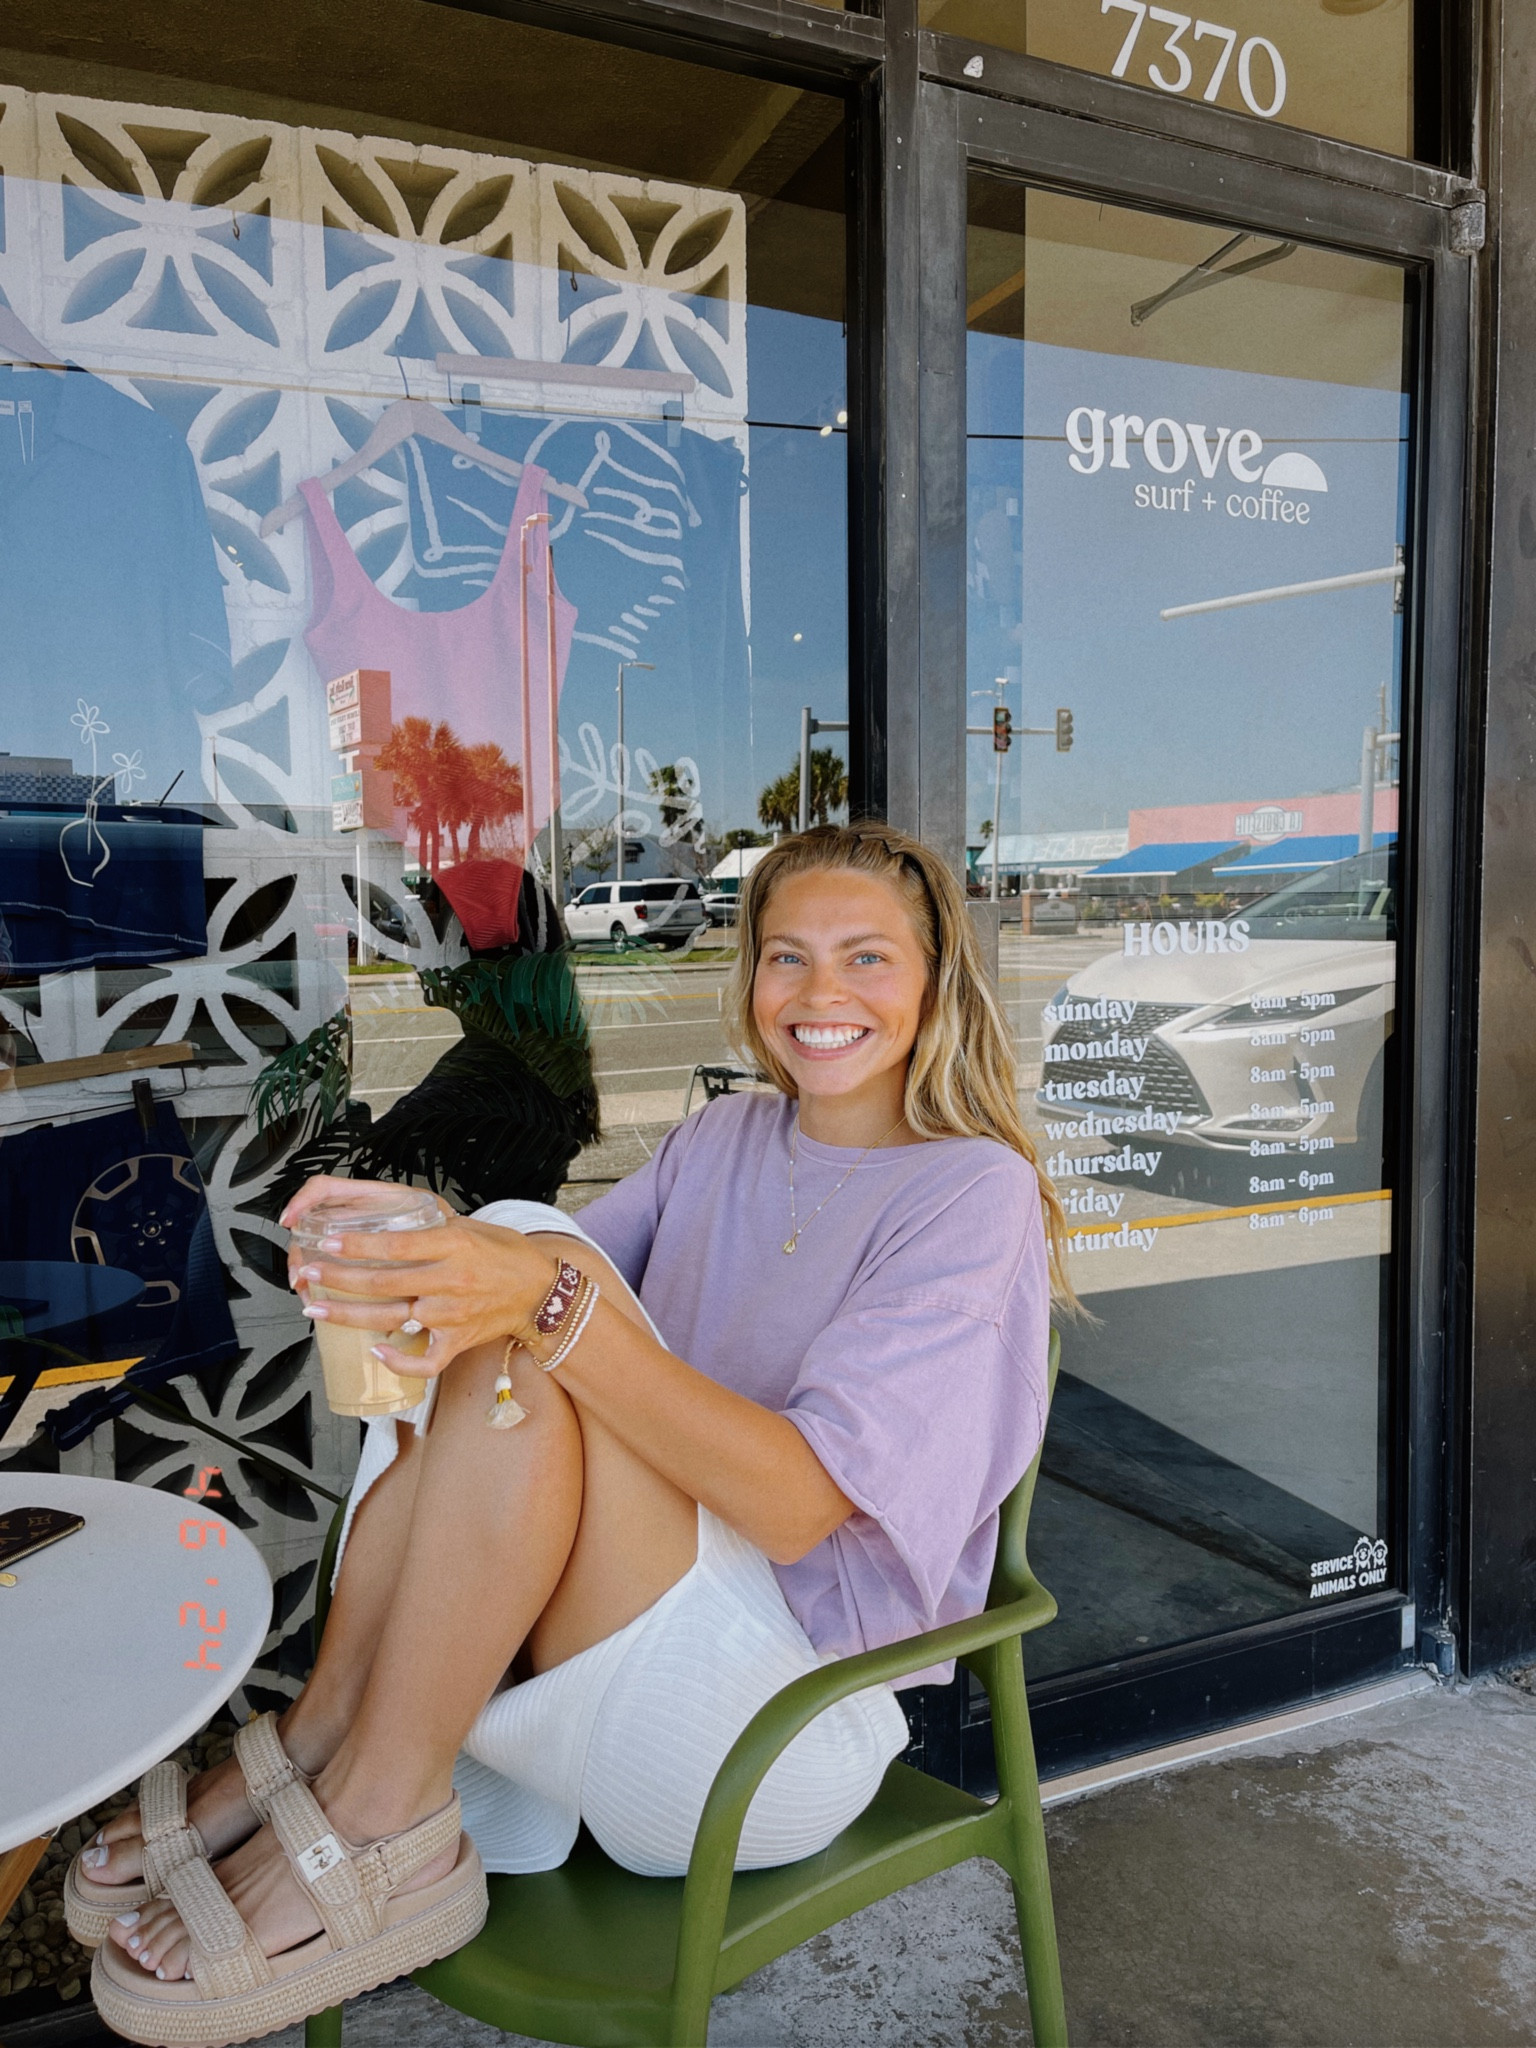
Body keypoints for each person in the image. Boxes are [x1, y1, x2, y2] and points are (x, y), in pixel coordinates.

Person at [72, 821, 1071, 2045]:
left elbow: (803, 1506)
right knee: (510, 1254)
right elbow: (538, 1265)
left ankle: (385, 1807)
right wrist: (420, 1245)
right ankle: (335, 1731)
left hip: (775, 1723)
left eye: (867, 957)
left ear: (934, 980)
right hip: (603, 1652)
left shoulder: (973, 1191)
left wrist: (524, 1287)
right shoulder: (724, 1137)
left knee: (536, 1305)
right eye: (786, 955)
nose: (820, 994)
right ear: (749, 974)